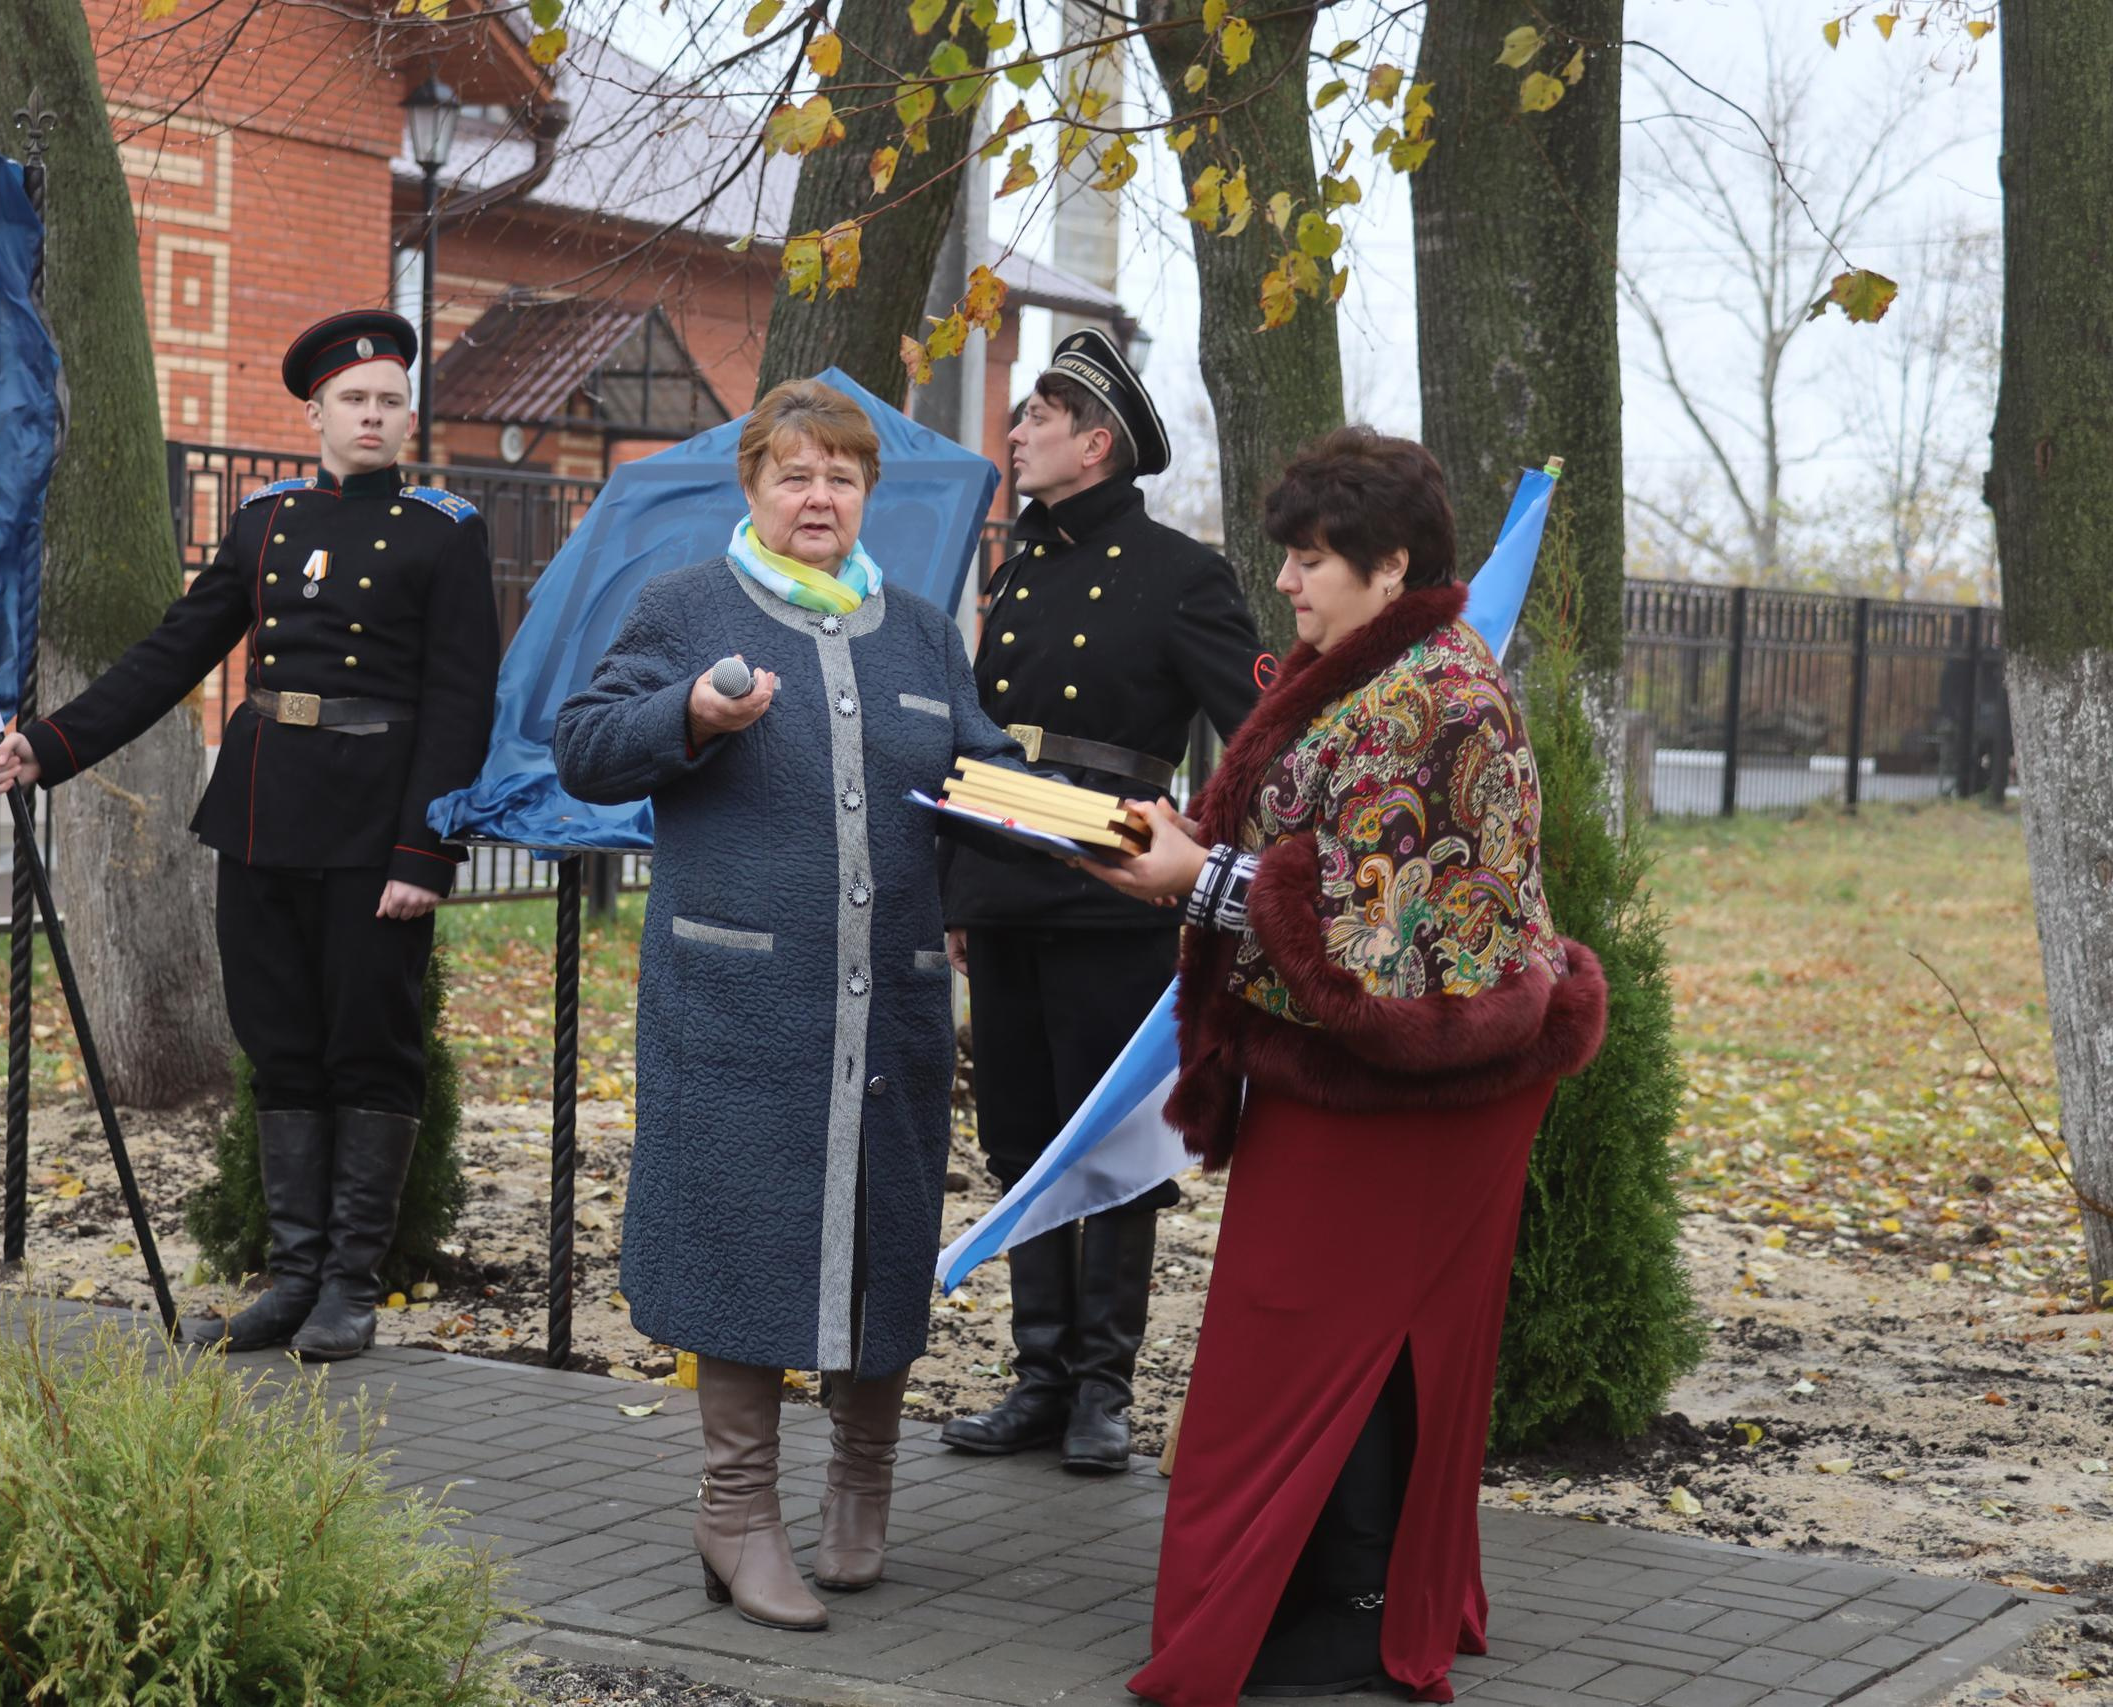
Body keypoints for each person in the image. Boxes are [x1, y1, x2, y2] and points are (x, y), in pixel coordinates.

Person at [1081, 428, 1608, 1706]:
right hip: (1358, 1079)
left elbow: (1376, 943)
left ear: (1390, 563)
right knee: (1316, 1346)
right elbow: (1299, 843)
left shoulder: (1435, 694)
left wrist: (1194, 880)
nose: (1292, 585)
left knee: (1342, 1345)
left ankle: (1366, 1615)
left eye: (1313, 560)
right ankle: (1326, 1593)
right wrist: (1182, 836)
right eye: (1293, 559)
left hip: (1417, 1090)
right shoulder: (1368, 671)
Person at [553, 379, 1021, 1634]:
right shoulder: (686, 607)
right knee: (742, 1239)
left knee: (880, 1229)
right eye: (795, 475)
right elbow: (583, 745)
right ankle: (736, 1513)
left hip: (896, 1012)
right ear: (752, 488)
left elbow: (980, 765)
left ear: (867, 495)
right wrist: (689, 714)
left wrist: (1065, 810)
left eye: (842, 477)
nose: (819, 497)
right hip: (742, 1010)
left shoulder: (918, 630)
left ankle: (861, 1487)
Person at [0, 310, 499, 1362]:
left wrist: (425, 852)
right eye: (352, 400)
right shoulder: (266, 522)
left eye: (388, 401)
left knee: (371, 1048)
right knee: (281, 1049)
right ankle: (292, 1279)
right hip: (265, 813)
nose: (371, 415)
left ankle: (351, 1284)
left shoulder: (446, 529)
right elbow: (177, 650)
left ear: (407, 418)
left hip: (373, 826)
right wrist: (53, 745)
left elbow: (460, 703)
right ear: (315, 413)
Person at [939, 329, 1263, 1474]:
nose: (1014, 432)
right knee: (1023, 1134)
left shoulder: (1183, 575)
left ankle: (1099, 1393)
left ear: (1096, 441)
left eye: (1036, 416)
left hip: (1113, 884)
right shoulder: (1016, 563)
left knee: (1106, 1138)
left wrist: (1203, 868)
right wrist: (957, 888)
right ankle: (1035, 1376)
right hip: (1004, 875)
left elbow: (1257, 740)